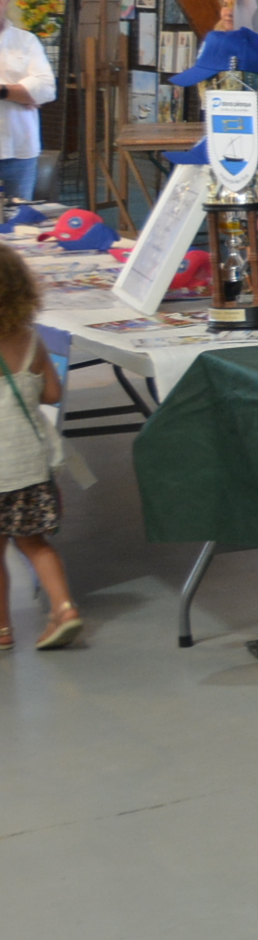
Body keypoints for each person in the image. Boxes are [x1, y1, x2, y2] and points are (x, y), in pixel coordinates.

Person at [0, 244, 77, 650]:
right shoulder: (32, 341)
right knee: (34, 544)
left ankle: (2, 630)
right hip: (29, 468)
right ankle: (64, 609)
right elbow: (52, 393)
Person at [0, 0, 53, 203]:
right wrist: (21, 93)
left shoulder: (26, 41)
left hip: (20, 150)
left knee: (19, 220)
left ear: (7, 0)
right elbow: (32, 91)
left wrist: (3, 91)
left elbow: (46, 88)